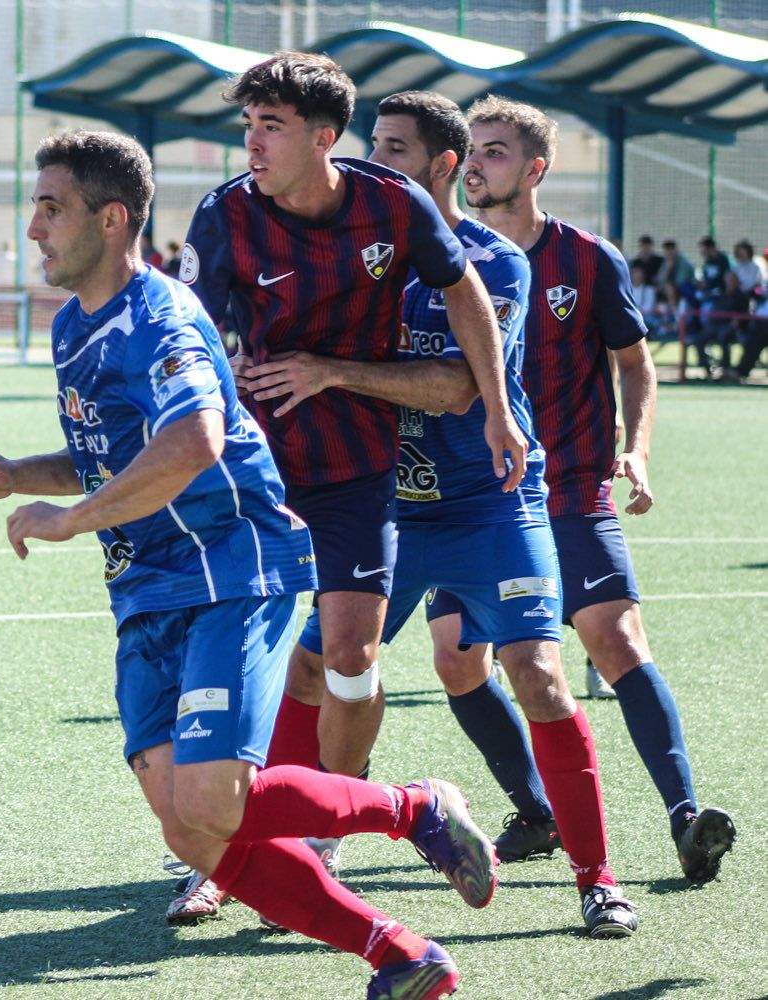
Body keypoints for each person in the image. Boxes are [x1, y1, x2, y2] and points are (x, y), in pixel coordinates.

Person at [0, 128, 496, 1000]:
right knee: (192, 828)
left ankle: (413, 810)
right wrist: (14, 476)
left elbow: (193, 440)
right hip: (148, 589)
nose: (33, 226)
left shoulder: (159, 316)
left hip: (234, 569)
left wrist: (71, 519)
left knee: (217, 799)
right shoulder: (76, 327)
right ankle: (402, 954)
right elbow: (120, 455)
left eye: (51, 207)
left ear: (111, 219)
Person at [259, 90, 637, 937]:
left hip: (488, 506)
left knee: (538, 675)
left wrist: (331, 370)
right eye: (371, 144)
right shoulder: (353, 254)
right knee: (313, 671)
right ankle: (299, 847)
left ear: (444, 167)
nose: (369, 162)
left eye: (391, 148)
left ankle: (596, 878)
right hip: (382, 508)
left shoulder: (494, 262)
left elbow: (459, 386)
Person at [181, 55, 525, 807]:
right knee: (236, 658)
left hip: (354, 467)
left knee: (350, 659)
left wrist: (499, 409)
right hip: (254, 467)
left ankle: (333, 820)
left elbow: (463, 292)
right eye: (249, 126)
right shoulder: (224, 214)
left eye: (271, 126)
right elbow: (188, 330)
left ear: (324, 137)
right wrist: (217, 381)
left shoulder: (392, 202)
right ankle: (224, 849)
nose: (254, 144)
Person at [437, 97, 734, 885]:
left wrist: (634, 450)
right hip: (470, 501)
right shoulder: (438, 255)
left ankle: (684, 819)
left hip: (569, 487)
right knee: (458, 664)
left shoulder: (586, 258)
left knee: (617, 641)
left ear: (535, 168)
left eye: (495, 152)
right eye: (471, 150)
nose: (475, 164)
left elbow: (635, 361)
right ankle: (538, 813)